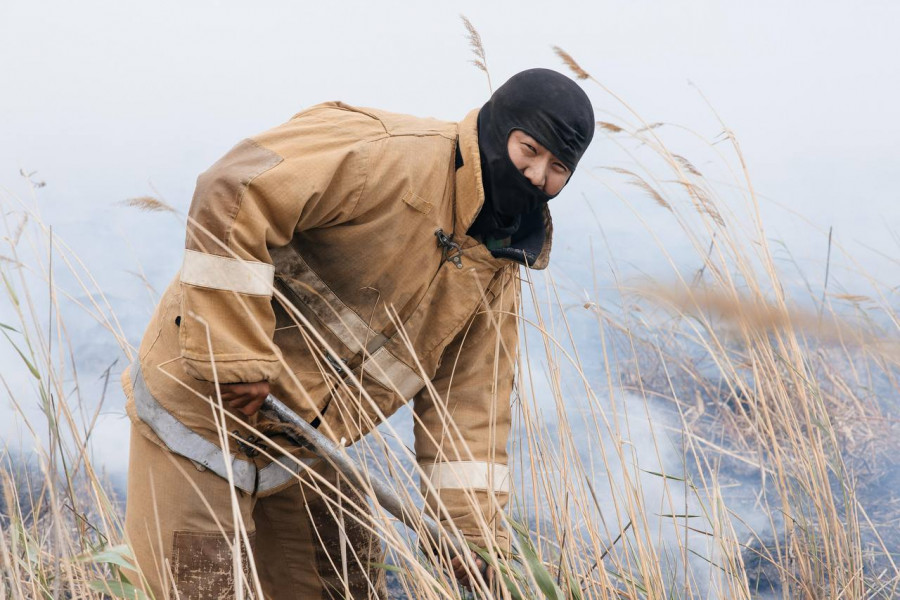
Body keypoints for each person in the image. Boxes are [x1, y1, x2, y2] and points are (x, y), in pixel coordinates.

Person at [122, 68, 594, 599]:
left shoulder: (498, 263)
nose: (536, 176)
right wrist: (234, 356)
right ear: (496, 127)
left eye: (558, 168)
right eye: (528, 149)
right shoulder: (388, 155)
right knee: (199, 587)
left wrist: (470, 534)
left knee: (345, 585)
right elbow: (234, 187)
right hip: (203, 406)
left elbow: (471, 409)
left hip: (302, 439)